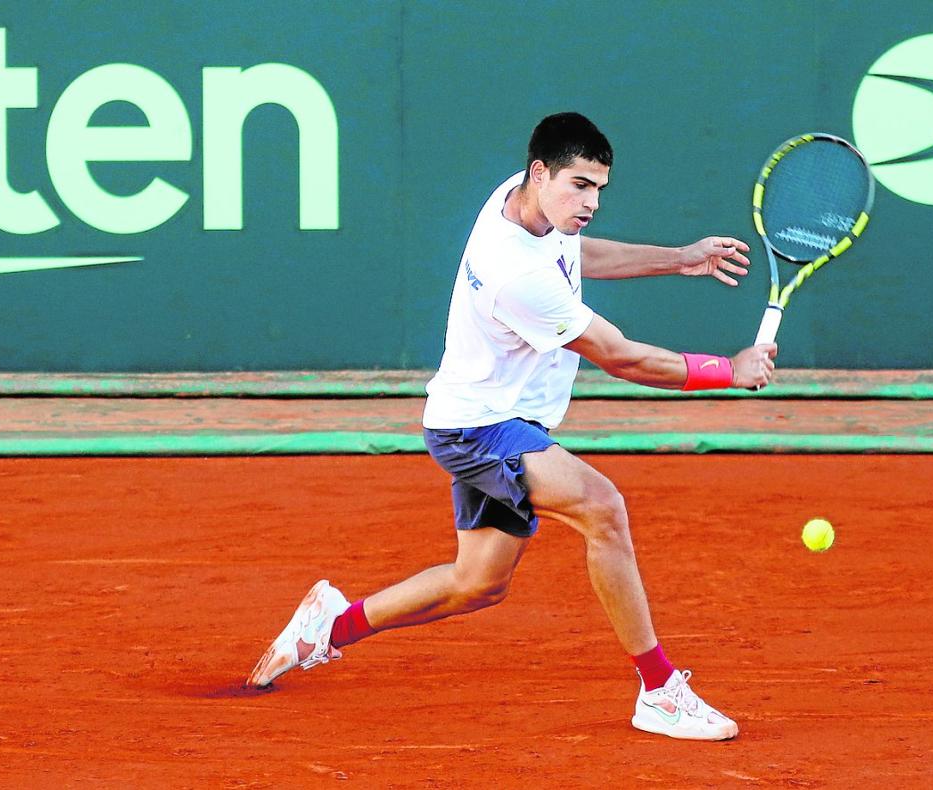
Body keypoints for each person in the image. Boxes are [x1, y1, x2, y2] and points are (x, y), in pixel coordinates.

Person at [247, 112, 776, 741]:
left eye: (600, 188)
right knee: (603, 508)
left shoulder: (519, 200)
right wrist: (729, 369)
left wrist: (678, 258)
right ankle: (659, 690)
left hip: (482, 416)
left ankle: (329, 626)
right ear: (541, 173)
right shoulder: (515, 275)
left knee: (478, 585)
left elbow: (578, 256)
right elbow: (625, 357)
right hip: (483, 428)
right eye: (580, 185)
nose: (592, 202)